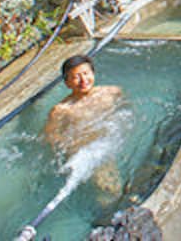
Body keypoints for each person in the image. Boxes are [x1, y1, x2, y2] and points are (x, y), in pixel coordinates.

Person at [45, 55, 125, 197]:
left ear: (93, 73)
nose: (83, 80)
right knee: (108, 189)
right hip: (85, 152)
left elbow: (126, 109)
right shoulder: (62, 110)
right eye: (76, 77)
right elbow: (51, 137)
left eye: (86, 74)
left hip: (108, 141)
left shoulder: (112, 92)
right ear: (67, 83)